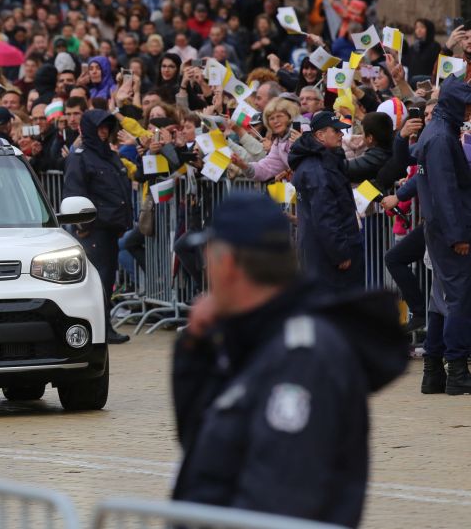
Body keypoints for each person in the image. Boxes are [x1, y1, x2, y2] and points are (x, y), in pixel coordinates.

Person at [172, 193, 407, 528]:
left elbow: (280, 499)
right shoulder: (252, 335)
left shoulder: (302, 355)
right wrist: (195, 350)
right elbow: (201, 446)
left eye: (208, 256)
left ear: (226, 264)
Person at [407, 76, 471, 395]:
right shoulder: (443, 137)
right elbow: (446, 191)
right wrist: (459, 235)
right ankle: (457, 370)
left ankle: (433, 372)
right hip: (450, 230)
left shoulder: (436, 133)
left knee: (439, 299)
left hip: (439, 228)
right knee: (459, 297)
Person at [63, 110, 132, 345]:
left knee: (106, 279)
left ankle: (104, 326)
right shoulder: (79, 157)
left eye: (107, 127)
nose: (104, 132)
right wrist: (82, 224)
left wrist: (124, 220)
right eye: (100, 127)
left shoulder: (109, 155)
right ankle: (99, 329)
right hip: (94, 228)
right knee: (98, 281)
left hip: (111, 226)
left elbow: (120, 186)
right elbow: (74, 191)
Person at [289, 111, 365, 292]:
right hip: (329, 255)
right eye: (336, 131)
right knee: (339, 307)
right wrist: (339, 253)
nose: (341, 134)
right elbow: (326, 215)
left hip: (322, 250)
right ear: (320, 135)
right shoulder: (318, 169)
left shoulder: (321, 162)